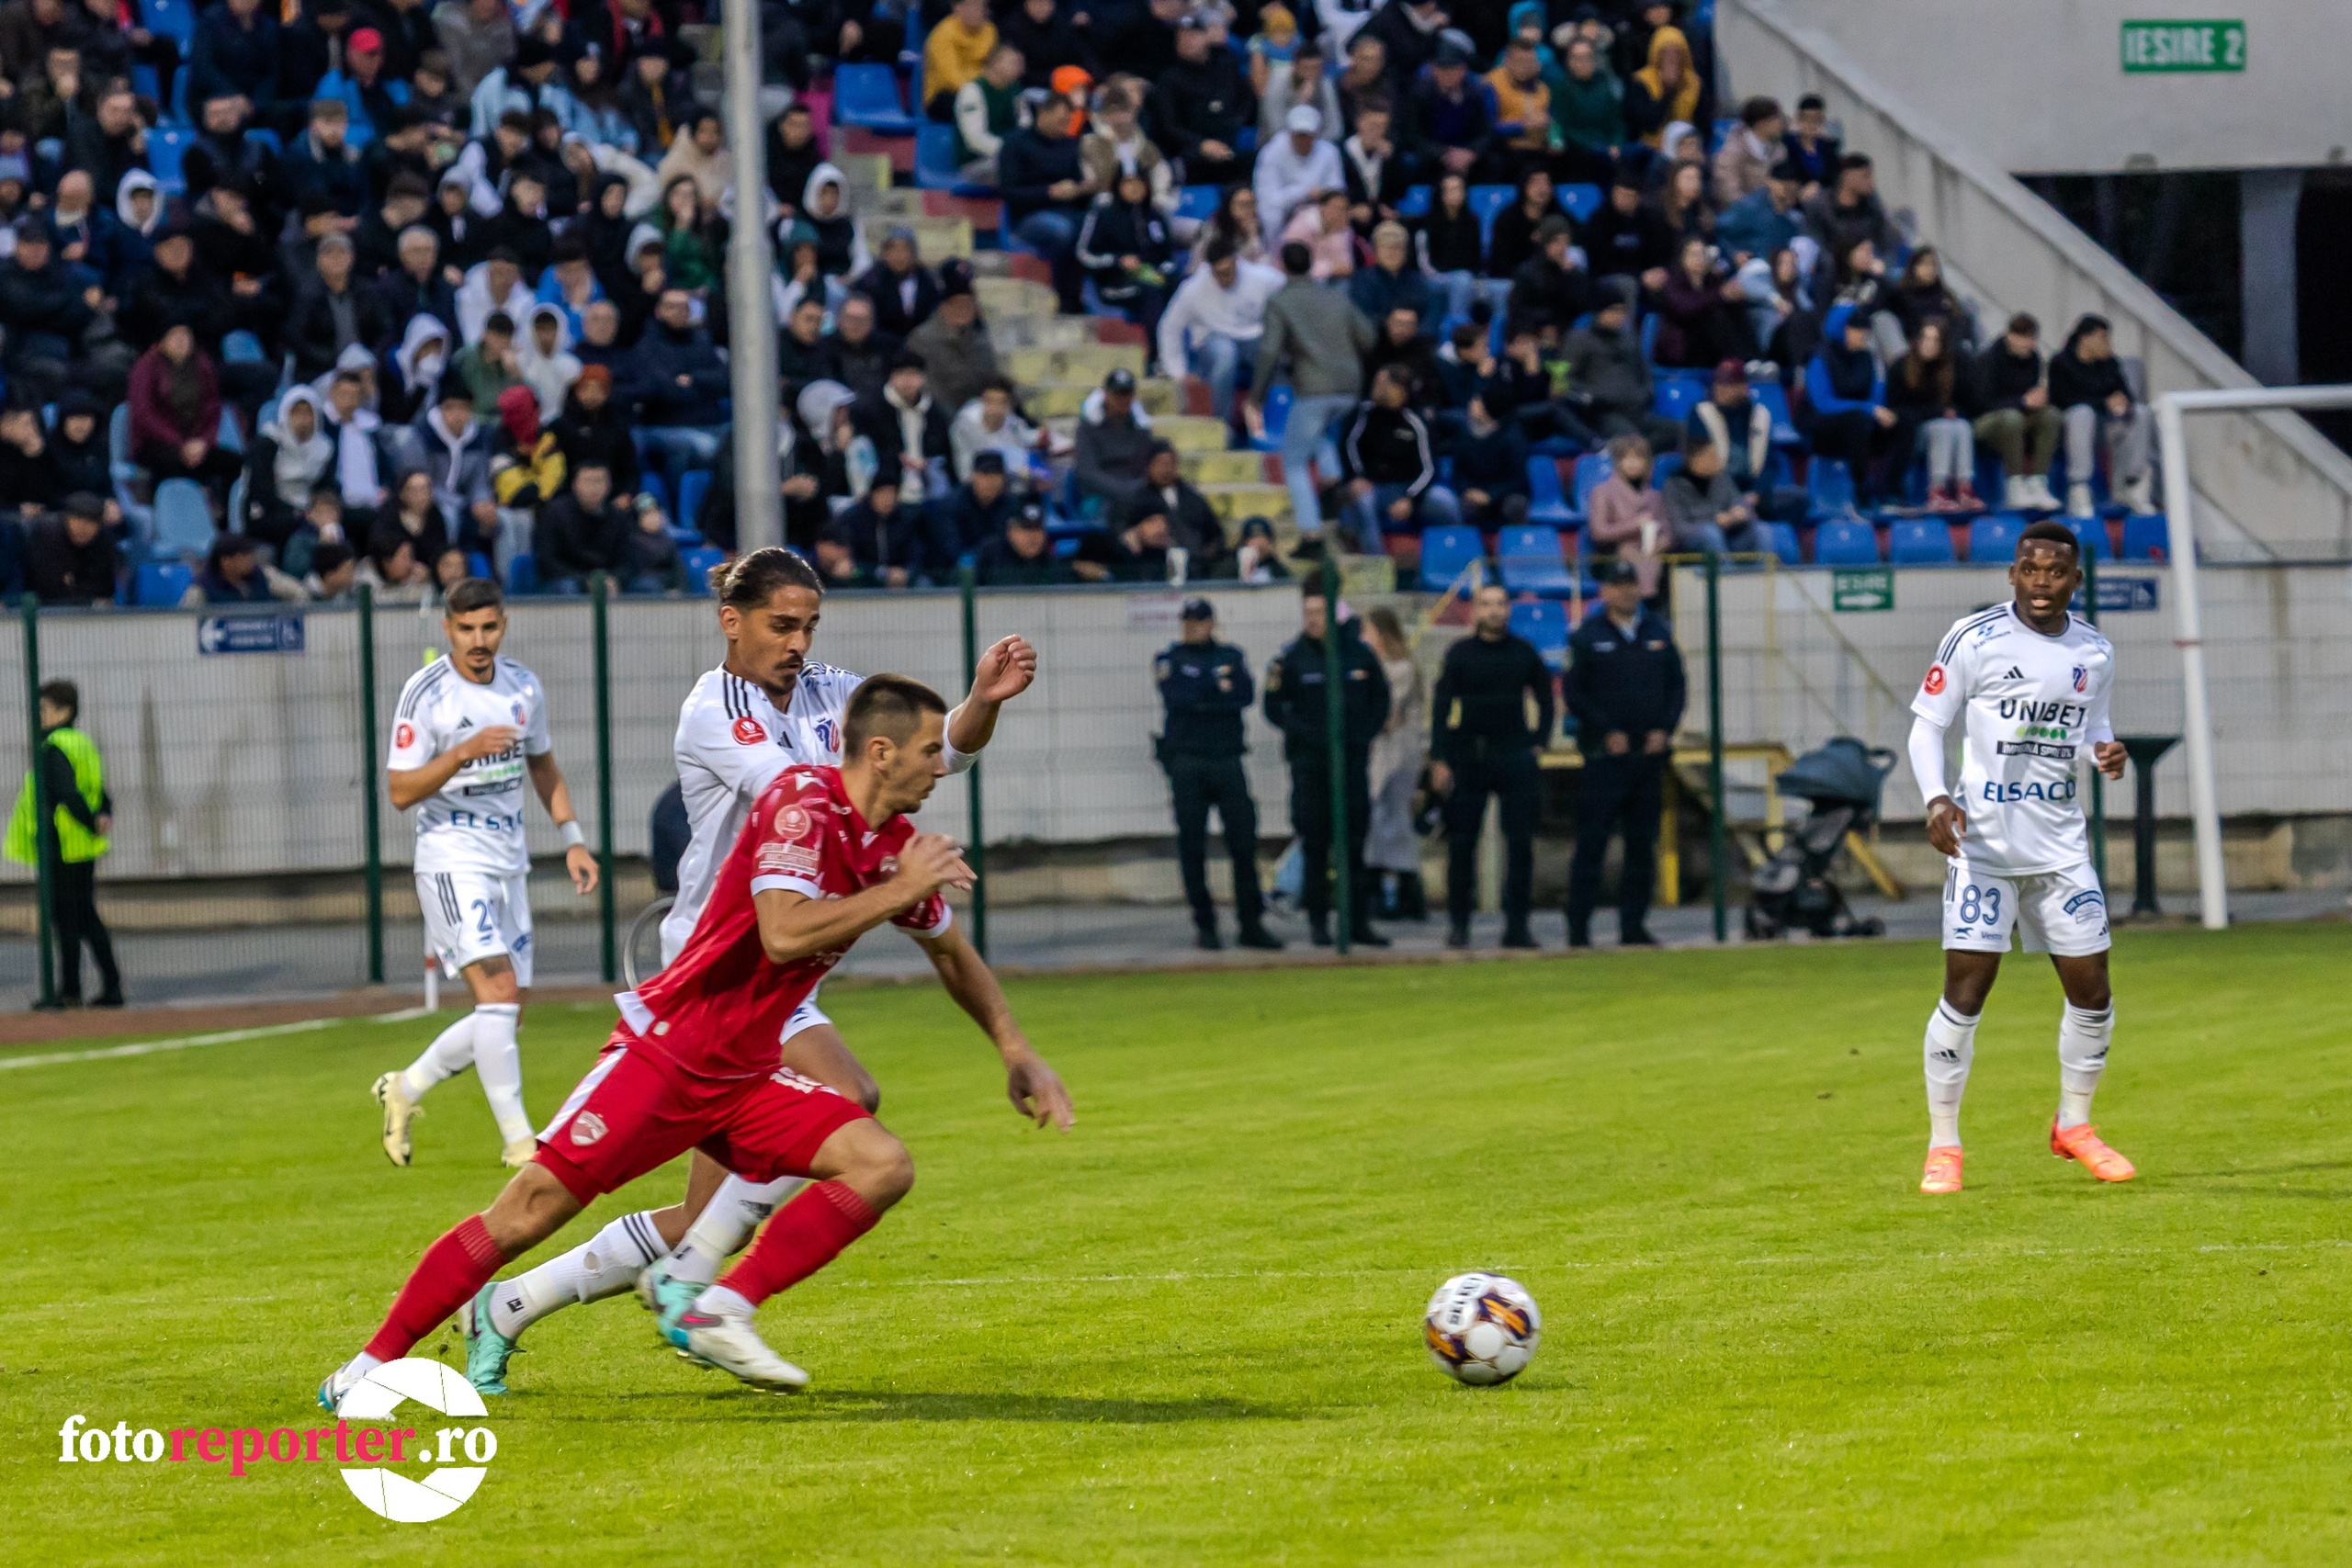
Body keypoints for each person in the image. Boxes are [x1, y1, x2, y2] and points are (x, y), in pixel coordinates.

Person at [323, 673, 1072, 1405]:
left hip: (745, 1076)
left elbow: (951, 952)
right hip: (666, 1054)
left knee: (880, 1162)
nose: (943, 766)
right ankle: (369, 1365)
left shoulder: (891, 844)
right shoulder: (800, 805)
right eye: (930, 751)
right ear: (881, 751)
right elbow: (782, 934)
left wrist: (1015, 1049)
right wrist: (899, 892)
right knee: (527, 1211)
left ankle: (717, 1305)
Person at [447, 552, 1040, 1393]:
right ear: (733, 621)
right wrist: (898, 856)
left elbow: (927, 753)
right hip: (718, 965)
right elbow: (814, 791)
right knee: (853, 1104)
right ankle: (695, 1288)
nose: (799, 643)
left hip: (786, 968)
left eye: (809, 627)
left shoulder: (833, 689)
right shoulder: (713, 711)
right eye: (781, 625)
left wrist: (978, 705)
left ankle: (509, 1305)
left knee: (703, 1212)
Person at [1906, 519, 2132, 1196]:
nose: (2041, 581)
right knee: (1966, 992)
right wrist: (1936, 798)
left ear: (2075, 579)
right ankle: (1944, 1144)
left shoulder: (2094, 651)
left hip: (2061, 848)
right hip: (1985, 849)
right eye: (2030, 568)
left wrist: (2106, 750)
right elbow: (1927, 724)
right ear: (2012, 574)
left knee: (2093, 993)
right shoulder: (1975, 637)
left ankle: (2075, 1125)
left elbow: (2094, 725)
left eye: (2055, 571)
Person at [369, 577, 600, 1170]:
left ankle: (407, 1086)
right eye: (466, 628)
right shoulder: (426, 694)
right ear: (447, 628)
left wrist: (571, 838)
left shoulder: (523, 685)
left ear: (504, 624)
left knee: (505, 1013)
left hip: (509, 862)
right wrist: (459, 753)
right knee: (496, 995)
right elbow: (399, 790)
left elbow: (543, 765)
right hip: (452, 857)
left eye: (489, 627)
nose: (479, 639)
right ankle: (523, 1143)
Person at [1564, 558, 1685, 948]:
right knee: (1592, 844)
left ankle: (1633, 925)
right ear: (1605, 592)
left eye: (1630, 584)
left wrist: (1664, 730)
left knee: (1641, 846)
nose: (1625, 591)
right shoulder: (1588, 635)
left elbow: (1676, 687)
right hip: (1605, 758)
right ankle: (1579, 928)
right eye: (1617, 585)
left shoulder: (1658, 632)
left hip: (1646, 758)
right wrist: (1605, 730)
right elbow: (1575, 693)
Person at [1262, 577, 1389, 948]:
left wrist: (1360, 735)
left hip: (1351, 763)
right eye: (1308, 613)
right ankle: (1319, 923)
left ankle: (1357, 922)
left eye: (1320, 612)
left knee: (1354, 846)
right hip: (1310, 766)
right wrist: (1304, 734)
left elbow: (1378, 701)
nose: (1313, 619)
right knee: (1315, 846)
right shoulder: (1291, 658)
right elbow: (1273, 706)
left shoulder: (1358, 654)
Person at [1430, 583, 1552, 949]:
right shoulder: (1460, 653)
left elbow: (1546, 698)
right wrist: (1440, 758)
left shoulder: (1524, 652)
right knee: (1462, 845)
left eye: (1500, 604)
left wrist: (1539, 742)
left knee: (1519, 845)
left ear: (1509, 609)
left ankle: (1517, 927)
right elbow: (1440, 707)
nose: (1494, 611)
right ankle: (1459, 925)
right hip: (1469, 756)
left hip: (1514, 755)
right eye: (1486, 604)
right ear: (1475, 611)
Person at [1156, 598, 1280, 952]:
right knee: (1192, 846)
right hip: (1187, 761)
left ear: (1212, 623)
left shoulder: (1231, 656)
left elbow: (1242, 696)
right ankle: (1205, 925)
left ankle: (1251, 924)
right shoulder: (1170, 658)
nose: (1193, 628)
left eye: (1200, 621)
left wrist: (1206, 694)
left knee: (1243, 844)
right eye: (1188, 622)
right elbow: (1177, 697)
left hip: (1227, 760)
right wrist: (1215, 690)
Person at [1251, 239, 1374, 553]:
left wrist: (1256, 396)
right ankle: (1332, 481)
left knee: (1293, 460)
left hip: (1313, 388)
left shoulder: (1280, 301)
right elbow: (1369, 337)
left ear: (1281, 265)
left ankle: (1311, 535)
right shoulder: (1335, 295)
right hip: (1349, 387)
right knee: (1317, 434)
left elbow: (1269, 350)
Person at [5, 677, 120, 1008]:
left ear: (63, 710)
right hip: (82, 847)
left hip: (62, 848)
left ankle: (70, 991)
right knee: (85, 916)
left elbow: (67, 793)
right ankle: (108, 986)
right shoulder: (82, 743)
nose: (39, 714)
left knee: (67, 920)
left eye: (44, 708)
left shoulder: (54, 747)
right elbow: (98, 789)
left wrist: (89, 819)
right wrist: (101, 817)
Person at [1159, 238, 1283, 427]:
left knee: (1276, 353)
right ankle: (1222, 426)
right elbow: (1170, 327)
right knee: (1226, 354)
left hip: (1253, 339)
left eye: (1228, 272)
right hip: (1214, 341)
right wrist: (1177, 371)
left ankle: (1274, 425)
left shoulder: (1263, 279)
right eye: (1219, 274)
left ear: (1236, 262)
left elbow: (1293, 295)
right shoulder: (1193, 289)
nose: (1225, 278)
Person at [1338, 364, 1458, 547]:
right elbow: (1348, 448)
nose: (1376, 388)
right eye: (1376, 382)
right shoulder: (1362, 414)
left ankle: (1455, 558)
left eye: (1383, 383)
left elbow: (1428, 469)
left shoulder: (1416, 422)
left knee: (1445, 501)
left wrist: (1410, 499)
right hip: (1374, 487)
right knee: (1363, 499)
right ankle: (1377, 567)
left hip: (1407, 488)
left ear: (1399, 390)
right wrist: (1356, 477)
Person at [2048, 313, 2155, 516]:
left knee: (2141, 413)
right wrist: (2104, 403)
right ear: (2085, 338)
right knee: (2081, 413)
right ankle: (2079, 488)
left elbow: (2125, 394)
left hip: (2105, 426)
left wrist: (2123, 404)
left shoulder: (2110, 363)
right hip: (2072, 430)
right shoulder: (2061, 362)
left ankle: (2132, 483)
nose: (2108, 343)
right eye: (2103, 338)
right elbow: (2062, 400)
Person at [1969, 311, 2063, 512]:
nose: (2027, 344)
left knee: (2051, 414)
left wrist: (2038, 400)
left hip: (2019, 416)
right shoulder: (1988, 359)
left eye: (2031, 339)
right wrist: (2021, 402)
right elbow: (1979, 403)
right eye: (2022, 339)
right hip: (1984, 422)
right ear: (2009, 336)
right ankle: (2015, 485)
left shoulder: (2035, 359)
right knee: (2012, 418)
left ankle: (2038, 482)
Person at [1804, 307, 1898, 505]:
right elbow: (1823, 403)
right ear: (1841, 329)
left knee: (1904, 420)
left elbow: (1876, 395)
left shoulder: (1868, 358)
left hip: (1861, 425)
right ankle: (1860, 486)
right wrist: (1868, 409)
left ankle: (1893, 490)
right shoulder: (1820, 357)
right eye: (1857, 329)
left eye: (1865, 329)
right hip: (1823, 426)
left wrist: (1878, 412)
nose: (1864, 334)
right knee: (1856, 420)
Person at [1887, 320, 1980, 512]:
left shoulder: (1951, 369)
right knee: (1943, 427)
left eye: (1935, 340)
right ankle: (1937, 491)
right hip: (1912, 433)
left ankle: (1964, 488)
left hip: (1945, 428)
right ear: (1917, 340)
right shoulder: (1901, 367)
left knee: (1962, 425)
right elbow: (1898, 411)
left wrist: (1953, 413)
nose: (1929, 344)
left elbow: (1970, 403)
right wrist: (1937, 413)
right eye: (1926, 339)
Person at [1658, 437, 1760, 556]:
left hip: (1729, 535)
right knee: (1710, 533)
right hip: (1692, 543)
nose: (1716, 460)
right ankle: (1726, 573)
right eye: (1710, 456)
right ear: (1693, 459)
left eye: (1716, 455)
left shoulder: (1722, 479)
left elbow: (1739, 502)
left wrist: (1740, 512)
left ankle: (1767, 572)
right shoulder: (1673, 485)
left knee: (1762, 530)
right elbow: (1678, 528)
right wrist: (1714, 523)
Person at [1254, 103, 1341, 236]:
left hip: (1317, 209)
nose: (1304, 139)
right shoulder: (1271, 152)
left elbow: (1337, 189)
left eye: (1308, 135)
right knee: (1270, 214)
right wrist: (1305, 192)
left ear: (1316, 134)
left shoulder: (1329, 152)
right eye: (1299, 134)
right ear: (1290, 133)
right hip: (1282, 212)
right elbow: (1267, 198)